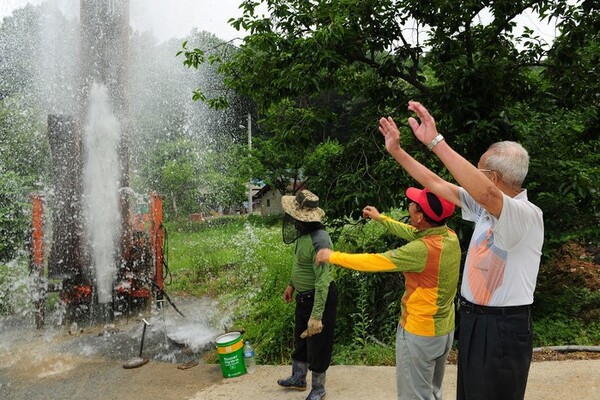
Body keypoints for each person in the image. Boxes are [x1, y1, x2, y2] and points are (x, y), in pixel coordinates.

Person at [378, 101, 544, 400]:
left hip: (503, 327)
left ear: (492, 177)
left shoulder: (526, 215)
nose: (473, 175)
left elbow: (487, 193)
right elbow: (435, 183)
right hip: (473, 320)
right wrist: (397, 152)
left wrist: (435, 142)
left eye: (478, 170)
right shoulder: (483, 209)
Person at [316, 188, 460, 400]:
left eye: (413, 204)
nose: (409, 205)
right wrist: (380, 218)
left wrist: (333, 256)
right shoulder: (448, 236)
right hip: (443, 332)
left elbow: (374, 261)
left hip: (420, 333)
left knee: (414, 396)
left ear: (420, 216)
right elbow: (411, 231)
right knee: (432, 391)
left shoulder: (421, 250)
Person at [277, 189, 338, 400]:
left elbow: (323, 281)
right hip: (303, 296)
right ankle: (298, 377)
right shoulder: (303, 236)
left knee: (319, 345)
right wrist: (291, 285)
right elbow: (300, 265)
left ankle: (319, 389)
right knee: (301, 340)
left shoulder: (320, 241)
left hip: (319, 298)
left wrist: (317, 315)